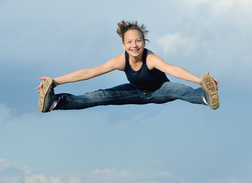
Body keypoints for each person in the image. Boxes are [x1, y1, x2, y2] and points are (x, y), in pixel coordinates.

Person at [37, 20, 219, 113]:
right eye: (130, 42)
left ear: (144, 42)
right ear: (123, 45)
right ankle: (54, 102)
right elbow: (90, 72)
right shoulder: (121, 60)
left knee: (181, 90)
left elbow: (173, 69)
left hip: (160, 91)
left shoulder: (151, 59)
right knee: (99, 96)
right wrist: (55, 82)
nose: (134, 45)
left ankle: (206, 97)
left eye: (138, 41)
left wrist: (200, 80)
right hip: (135, 91)